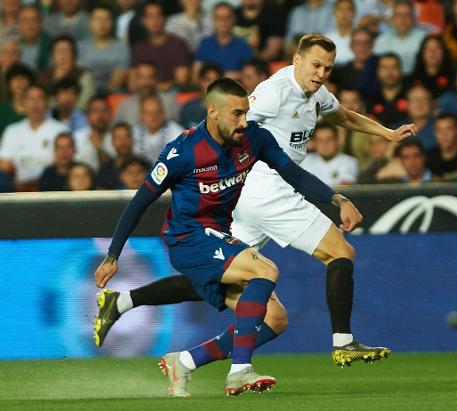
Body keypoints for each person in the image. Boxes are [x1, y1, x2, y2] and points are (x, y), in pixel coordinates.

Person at [94, 35, 415, 384]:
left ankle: (161, 338)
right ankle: (340, 342)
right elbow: (236, 119)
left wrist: (386, 134)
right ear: (296, 60)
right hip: (264, 187)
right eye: (315, 65)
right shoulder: (273, 94)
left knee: (244, 296)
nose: (321, 73)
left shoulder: (316, 94)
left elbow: (342, 116)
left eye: (328, 67)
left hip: (248, 196)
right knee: (339, 253)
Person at [0, 84, 68, 188]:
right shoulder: (12, 130)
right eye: (30, 99)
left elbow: (64, 163)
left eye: (39, 98)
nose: (35, 103)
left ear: (47, 103)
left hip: (51, 185)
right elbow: (4, 163)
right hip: (19, 188)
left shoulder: (61, 130)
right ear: (23, 103)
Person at [131, 1, 192, 91]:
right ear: (143, 21)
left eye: (158, 15)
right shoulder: (139, 48)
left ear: (165, 18)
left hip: (171, 94)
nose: (155, 20)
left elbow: (181, 81)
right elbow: (132, 83)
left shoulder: (178, 45)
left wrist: (157, 87)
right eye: (150, 16)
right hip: (144, 93)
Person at [78, 4, 130, 93]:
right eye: (98, 19)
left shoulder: (122, 48)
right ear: (91, 22)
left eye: (107, 19)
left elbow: (117, 81)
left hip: (111, 94)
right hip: (83, 93)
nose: (102, 23)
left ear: (112, 23)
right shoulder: (80, 47)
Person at [194, 2, 253, 79]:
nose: (223, 21)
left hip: (235, 88)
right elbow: (196, 74)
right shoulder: (205, 43)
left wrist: (237, 75)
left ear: (234, 19)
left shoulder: (243, 45)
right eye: (219, 18)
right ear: (213, 20)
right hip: (210, 89)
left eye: (227, 17)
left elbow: (250, 75)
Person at [113, 62, 179, 125]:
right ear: (136, 80)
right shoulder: (126, 105)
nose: (146, 82)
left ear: (156, 79)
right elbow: (114, 130)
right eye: (142, 77)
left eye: (150, 77)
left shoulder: (169, 102)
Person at [373, 0, 427, 76]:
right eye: (399, 15)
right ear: (392, 19)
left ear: (413, 18)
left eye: (407, 15)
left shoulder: (423, 38)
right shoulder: (381, 40)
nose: (403, 19)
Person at [132, 93, 184, 163]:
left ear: (163, 113)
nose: (154, 116)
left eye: (158, 112)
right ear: (141, 115)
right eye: (149, 113)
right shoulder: (133, 133)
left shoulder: (178, 134)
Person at [427, 113, 457, 181]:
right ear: (434, 133)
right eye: (439, 130)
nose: (444, 135)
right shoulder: (429, 157)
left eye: (448, 129)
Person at [95, 121, 134, 189]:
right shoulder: (105, 169)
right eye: (118, 137)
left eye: (126, 137)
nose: (123, 142)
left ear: (132, 140)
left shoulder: (142, 165)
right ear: (112, 142)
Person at [17, 4, 52, 72]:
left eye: (35, 19)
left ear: (41, 23)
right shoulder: (13, 45)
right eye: (25, 20)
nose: (30, 24)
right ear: (19, 23)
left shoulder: (51, 45)